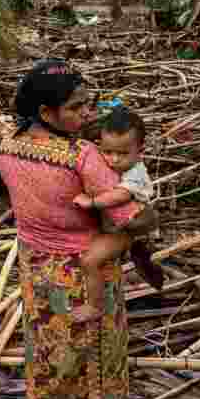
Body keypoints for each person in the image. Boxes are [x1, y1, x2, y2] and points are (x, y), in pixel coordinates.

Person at [0, 58, 158, 399]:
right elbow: (132, 216)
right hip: (88, 274)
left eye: (89, 104)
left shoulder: (6, 150)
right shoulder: (81, 156)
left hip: (38, 274)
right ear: (47, 113)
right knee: (98, 358)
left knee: (47, 361)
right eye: (77, 108)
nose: (87, 115)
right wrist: (146, 220)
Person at [73, 106, 164, 293]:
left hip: (132, 229)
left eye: (122, 154)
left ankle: (94, 304)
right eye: (107, 152)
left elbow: (121, 195)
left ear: (140, 151)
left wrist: (92, 203)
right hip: (115, 227)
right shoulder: (108, 161)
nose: (113, 160)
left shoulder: (135, 172)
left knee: (90, 261)